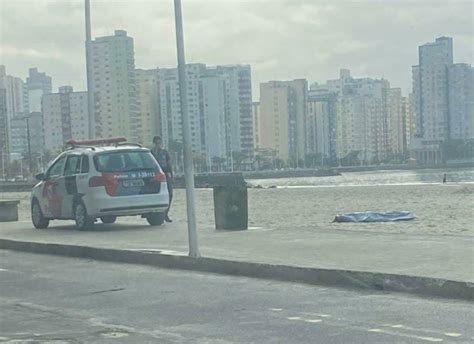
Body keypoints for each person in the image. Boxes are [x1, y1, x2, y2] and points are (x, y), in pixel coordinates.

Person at [151, 136, 173, 222]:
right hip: (155, 176)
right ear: (154, 143)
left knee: (170, 194)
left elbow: (169, 163)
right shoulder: (151, 153)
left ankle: (165, 213)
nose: (158, 145)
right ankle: (157, 214)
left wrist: (171, 174)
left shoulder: (165, 152)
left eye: (159, 143)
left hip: (165, 174)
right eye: (156, 143)